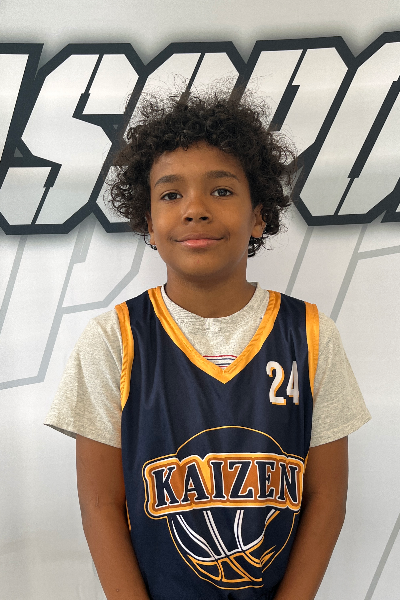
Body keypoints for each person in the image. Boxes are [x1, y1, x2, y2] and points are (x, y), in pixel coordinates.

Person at [44, 89, 371, 600]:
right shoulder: (113, 339)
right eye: (171, 195)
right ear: (148, 222)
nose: (195, 209)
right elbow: (101, 504)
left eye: (221, 190)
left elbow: (327, 499)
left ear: (259, 215)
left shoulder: (310, 334)